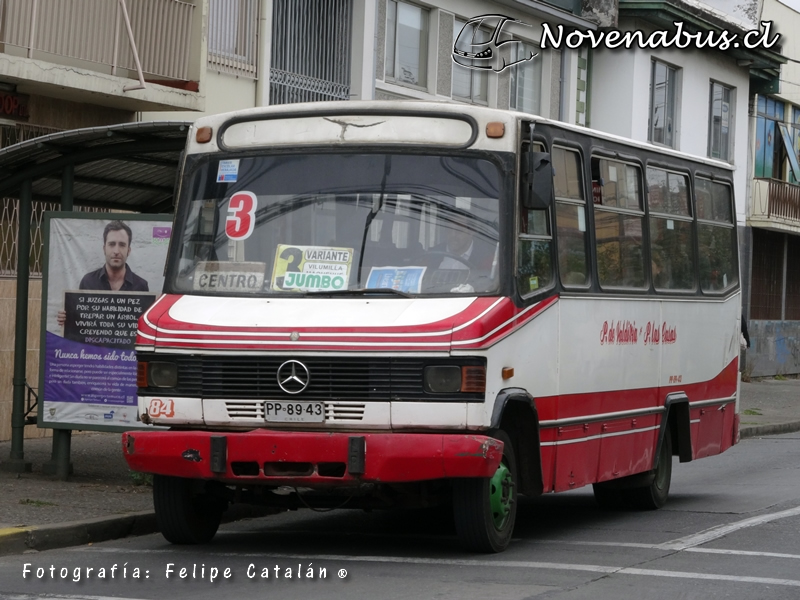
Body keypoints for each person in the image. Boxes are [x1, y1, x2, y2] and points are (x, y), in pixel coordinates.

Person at [57, 220, 148, 326]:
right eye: (112, 244)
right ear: (104, 248)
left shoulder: (141, 286)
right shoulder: (88, 282)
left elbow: (144, 326)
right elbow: (80, 320)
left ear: (129, 250)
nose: (116, 251)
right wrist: (68, 318)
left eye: (122, 245)